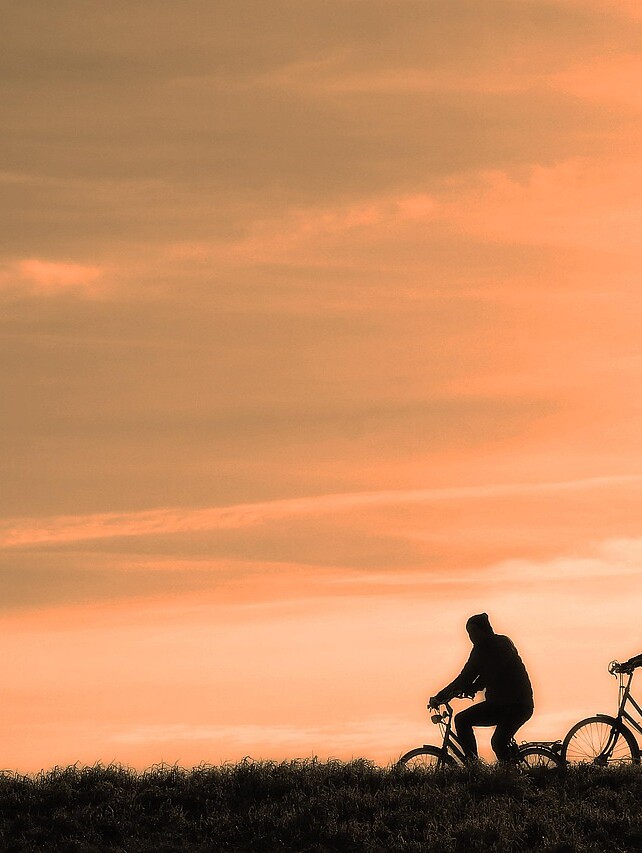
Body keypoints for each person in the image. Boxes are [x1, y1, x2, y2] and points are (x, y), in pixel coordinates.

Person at [429, 613, 534, 762]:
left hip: (518, 705)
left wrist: (472, 687)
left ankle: (509, 774)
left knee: (498, 742)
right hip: (498, 704)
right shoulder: (478, 651)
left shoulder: (502, 644)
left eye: (473, 632)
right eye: (469, 633)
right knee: (462, 720)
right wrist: (440, 697)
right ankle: (473, 765)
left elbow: (493, 672)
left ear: (485, 630)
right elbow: (465, 677)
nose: (471, 637)